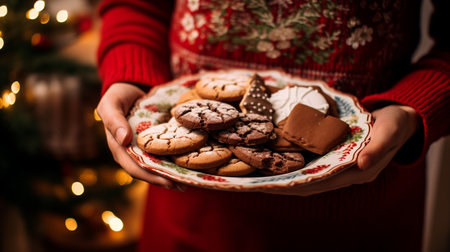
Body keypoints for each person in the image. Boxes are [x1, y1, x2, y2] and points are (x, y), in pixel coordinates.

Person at [95, 0, 450, 251]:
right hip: (188, 207)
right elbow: (136, 6)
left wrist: (410, 107)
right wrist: (131, 76)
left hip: (362, 207)